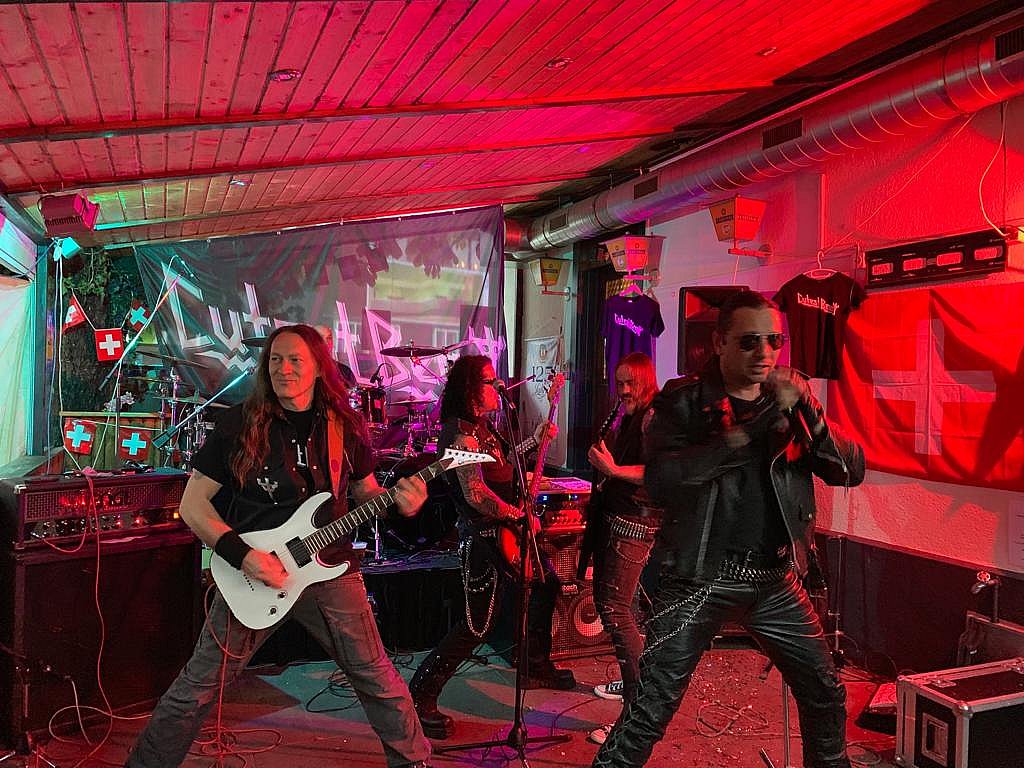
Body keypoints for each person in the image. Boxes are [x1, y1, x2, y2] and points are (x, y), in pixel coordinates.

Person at [125, 324, 431, 768]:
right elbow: (193, 506)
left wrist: (403, 502)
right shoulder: (238, 424)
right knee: (198, 686)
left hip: (331, 568)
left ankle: (413, 761)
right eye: (275, 360)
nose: (283, 369)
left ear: (319, 368)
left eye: (295, 360)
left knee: (376, 676)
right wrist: (245, 557)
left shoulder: (345, 425)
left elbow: (364, 492)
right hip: (255, 573)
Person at [593, 290, 865, 768]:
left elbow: (850, 470)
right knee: (649, 711)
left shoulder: (791, 401)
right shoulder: (683, 401)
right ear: (720, 343)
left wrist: (811, 410)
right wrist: (753, 428)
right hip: (699, 580)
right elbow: (664, 479)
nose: (765, 352)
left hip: (775, 581)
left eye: (774, 341)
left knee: (825, 693)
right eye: (749, 341)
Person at [408, 354, 575, 740]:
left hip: (505, 531)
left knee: (546, 584)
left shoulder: (484, 428)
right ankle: (421, 694)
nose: (498, 386)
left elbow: (504, 463)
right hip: (484, 537)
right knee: (476, 625)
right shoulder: (460, 434)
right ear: (471, 389)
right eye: (490, 381)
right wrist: (518, 514)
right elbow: (476, 493)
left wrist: (535, 440)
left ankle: (534, 664)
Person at [580, 352, 662, 745]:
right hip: (619, 519)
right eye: (620, 382)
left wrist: (612, 471)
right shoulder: (631, 415)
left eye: (631, 383)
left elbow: (659, 472)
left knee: (615, 611)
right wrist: (606, 477)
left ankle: (635, 713)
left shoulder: (653, 417)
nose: (623, 390)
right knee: (623, 608)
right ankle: (635, 684)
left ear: (647, 380)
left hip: (633, 525)